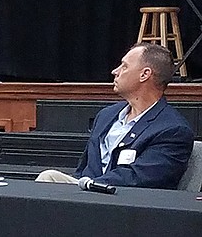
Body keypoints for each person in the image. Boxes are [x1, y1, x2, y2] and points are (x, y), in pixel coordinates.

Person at [36, 43, 194, 189]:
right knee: (48, 179)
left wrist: (90, 186)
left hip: (125, 206)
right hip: (86, 195)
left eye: (124, 66)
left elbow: (138, 179)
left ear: (145, 74)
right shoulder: (106, 115)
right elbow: (84, 169)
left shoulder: (173, 130)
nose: (115, 71)